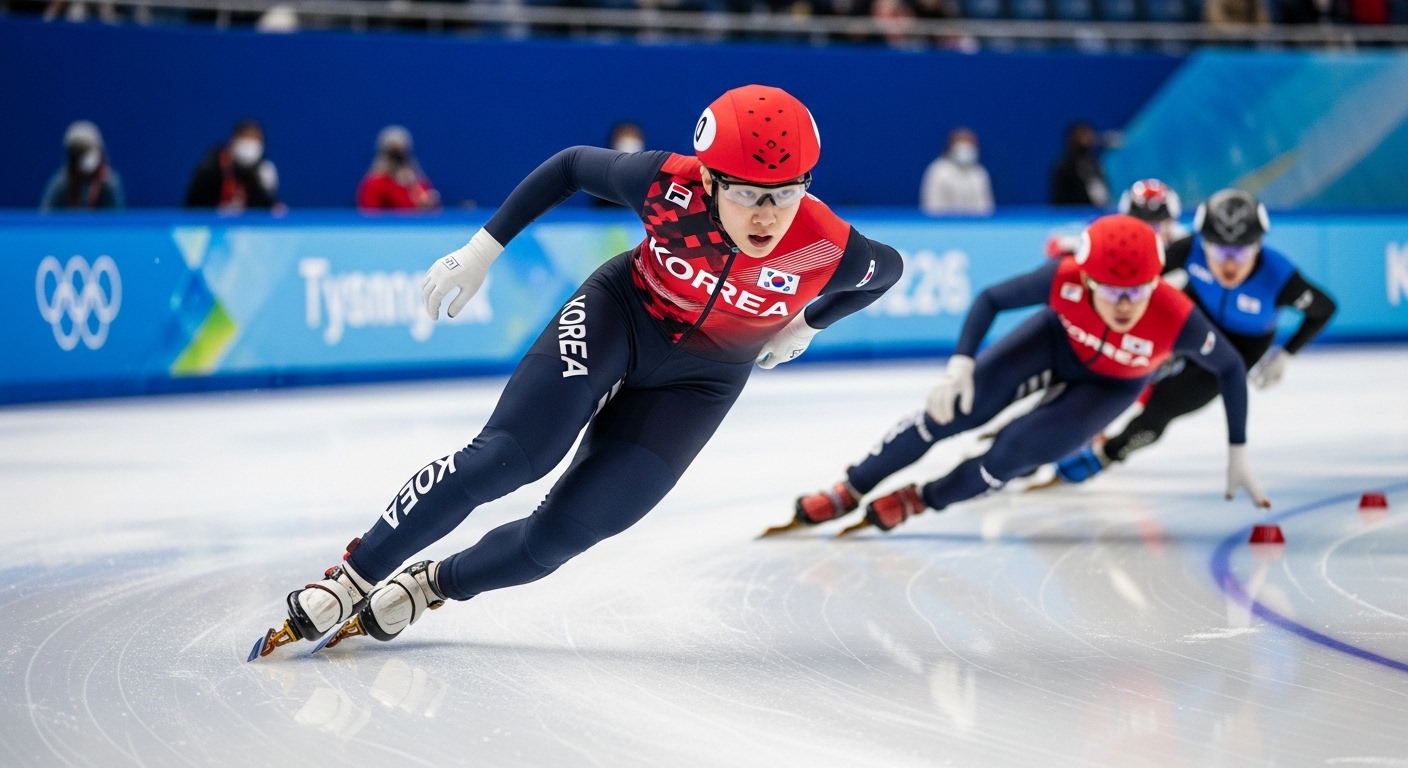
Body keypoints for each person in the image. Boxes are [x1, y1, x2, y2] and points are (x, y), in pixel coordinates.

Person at [250, 85, 905, 659]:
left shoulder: (828, 246)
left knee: (561, 538)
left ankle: (431, 585)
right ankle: (351, 578)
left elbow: (891, 269)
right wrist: (483, 248)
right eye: (747, 195)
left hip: (702, 381)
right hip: (622, 314)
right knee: (508, 457)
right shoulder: (664, 185)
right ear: (708, 181)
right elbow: (569, 167)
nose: (766, 216)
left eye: (784, 195)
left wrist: (810, 325)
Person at [778, 214, 1266, 539]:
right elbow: (991, 298)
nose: (1123, 305)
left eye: (1136, 291)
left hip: (1111, 385)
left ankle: (924, 499)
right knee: (948, 414)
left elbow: (1228, 367)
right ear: (1086, 277)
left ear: (1156, 282)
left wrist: (1239, 447)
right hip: (1054, 341)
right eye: (1110, 290)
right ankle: (852, 487)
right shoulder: (1064, 277)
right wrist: (961, 364)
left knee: (1011, 456)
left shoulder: (1176, 316)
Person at [1053, 190, 1337, 485]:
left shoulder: (1280, 277)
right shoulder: (1190, 249)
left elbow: (1324, 309)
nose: (1230, 264)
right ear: (1203, 242)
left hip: (1243, 345)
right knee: (1123, 365)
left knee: (1166, 405)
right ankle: (1067, 422)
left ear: (1259, 246)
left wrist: (1285, 354)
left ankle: (1108, 454)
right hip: (1194, 318)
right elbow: (1132, 268)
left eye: (1241, 252)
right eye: (1218, 251)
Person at [1046, 177, 1181, 259]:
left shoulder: (1184, 240)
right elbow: (1055, 245)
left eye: (1156, 224)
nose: (1150, 230)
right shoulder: (1107, 234)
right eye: (1141, 225)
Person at [184, 119, 280, 213]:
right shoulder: (211, 167)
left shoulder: (263, 171)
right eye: (245, 138)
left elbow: (265, 210)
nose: (249, 146)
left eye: (255, 139)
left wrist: (270, 201)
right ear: (233, 140)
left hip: (246, 227)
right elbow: (194, 208)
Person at [40, 120, 125, 212]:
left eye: (87, 151)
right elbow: (46, 219)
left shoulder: (109, 184)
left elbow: (115, 221)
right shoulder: (60, 185)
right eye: (77, 153)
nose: (83, 158)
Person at [356, 126, 441, 212]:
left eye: (401, 152)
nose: (397, 158)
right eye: (392, 153)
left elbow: (434, 212)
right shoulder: (374, 184)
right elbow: (370, 218)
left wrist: (426, 206)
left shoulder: (418, 182)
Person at [919, 128, 994, 216]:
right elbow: (931, 206)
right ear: (951, 147)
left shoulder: (979, 173)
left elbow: (986, 207)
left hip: (974, 226)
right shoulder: (937, 171)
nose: (965, 149)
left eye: (969, 144)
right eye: (961, 144)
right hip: (943, 226)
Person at [1050, 122, 1109, 208]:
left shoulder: (1093, 163)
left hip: (1095, 211)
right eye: (1082, 135)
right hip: (1071, 213)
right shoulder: (1064, 165)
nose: (1088, 139)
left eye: (1088, 135)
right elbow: (1061, 197)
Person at [592, 122, 647, 208]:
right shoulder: (604, 186)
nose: (629, 148)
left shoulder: (653, 182)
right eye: (625, 143)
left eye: (634, 142)